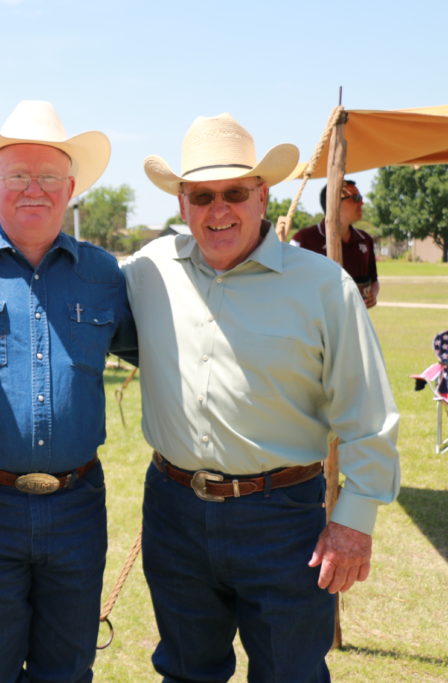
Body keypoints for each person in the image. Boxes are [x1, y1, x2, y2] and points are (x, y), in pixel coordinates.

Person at [126, 113, 400, 682]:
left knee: (290, 675)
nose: (218, 209)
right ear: (182, 202)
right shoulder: (148, 270)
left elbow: (367, 414)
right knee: (185, 672)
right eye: (202, 195)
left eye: (234, 193)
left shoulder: (324, 286)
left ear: (262, 195)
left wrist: (355, 521)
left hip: (284, 519)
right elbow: (65, 283)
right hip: (174, 512)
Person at [0, 101, 138, 682]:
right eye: (19, 175)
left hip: (78, 505)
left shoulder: (105, 274)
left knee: (68, 668)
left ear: (71, 188)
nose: (35, 189)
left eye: (49, 176)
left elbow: (159, 352)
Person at [291, 179, 380, 307]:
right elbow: (291, 284)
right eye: (355, 197)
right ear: (333, 203)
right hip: (317, 324)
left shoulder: (365, 239)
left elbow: (373, 281)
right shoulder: (302, 240)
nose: (362, 202)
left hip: (356, 322)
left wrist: (373, 294)